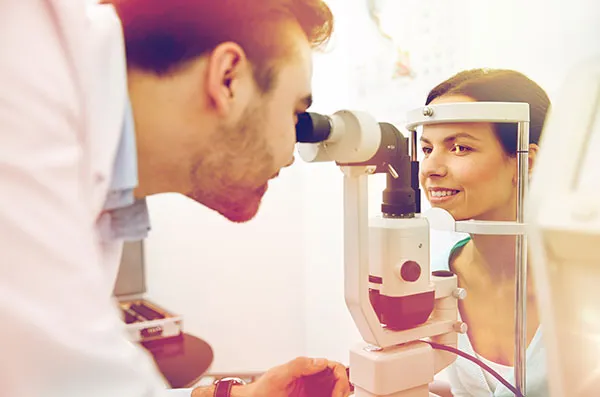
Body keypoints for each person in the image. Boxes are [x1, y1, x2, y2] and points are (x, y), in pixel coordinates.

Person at [0, 1, 351, 397]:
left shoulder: (96, 183)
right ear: (228, 79)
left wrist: (233, 396)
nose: (291, 152)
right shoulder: (20, 62)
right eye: (294, 113)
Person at [419, 69, 551, 397]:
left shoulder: (581, 281)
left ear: (526, 161)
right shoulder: (430, 275)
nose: (431, 168)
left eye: (460, 148)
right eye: (426, 149)